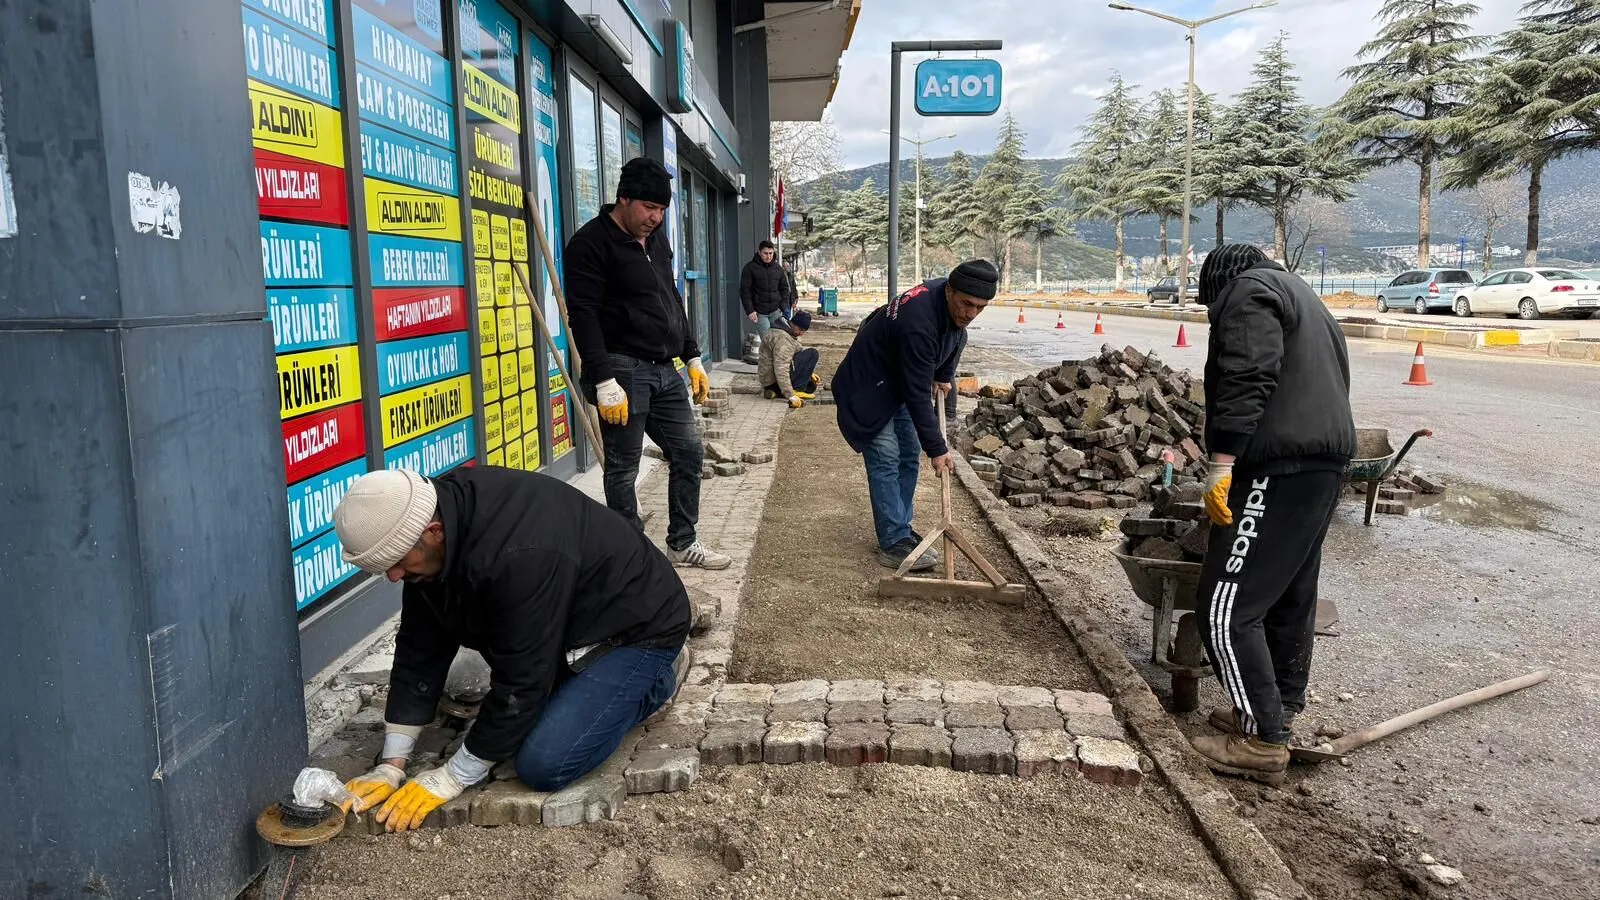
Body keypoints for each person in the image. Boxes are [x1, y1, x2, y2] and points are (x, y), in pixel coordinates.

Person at [332, 467, 690, 831]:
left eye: (397, 564)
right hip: (568, 620)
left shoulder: (520, 552)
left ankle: (654, 682)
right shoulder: (436, 525)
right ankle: (600, 685)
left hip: (638, 626)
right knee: (507, 716)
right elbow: (419, 646)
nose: (393, 577)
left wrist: (453, 777)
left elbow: (523, 678)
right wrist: (390, 765)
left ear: (434, 533)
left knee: (545, 762)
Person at [1188, 243, 1356, 785]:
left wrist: (1223, 460)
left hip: (1275, 468)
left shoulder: (1248, 291)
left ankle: (1262, 741)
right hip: (1322, 466)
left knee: (1224, 605)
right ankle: (1273, 710)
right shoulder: (1304, 294)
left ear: (1219, 285)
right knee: (1288, 596)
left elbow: (1246, 372)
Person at [565, 156, 730, 570]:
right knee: (624, 467)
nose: (655, 218)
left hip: (664, 367)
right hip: (621, 369)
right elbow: (582, 314)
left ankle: (682, 542)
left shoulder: (656, 241)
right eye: (648, 208)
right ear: (623, 199)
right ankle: (629, 558)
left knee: (689, 451)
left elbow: (672, 298)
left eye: (662, 210)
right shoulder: (590, 244)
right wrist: (603, 378)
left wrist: (691, 353)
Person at [832, 260, 997, 571]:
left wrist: (944, 373)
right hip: (867, 386)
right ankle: (894, 542)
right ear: (949, 292)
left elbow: (955, 338)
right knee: (886, 457)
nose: (971, 314)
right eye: (966, 304)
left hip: (898, 378)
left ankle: (901, 529)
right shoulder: (918, 323)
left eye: (980, 307)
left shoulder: (946, 301)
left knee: (908, 454)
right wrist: (937, 448)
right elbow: (917, 394)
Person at [758, 309, 822, 407]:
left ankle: (774, 392)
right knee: (812, 354)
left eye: (804, 331)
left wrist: (808, 372)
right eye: (801, 330)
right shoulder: (783, 339)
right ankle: (795, 389)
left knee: (811, 386)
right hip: (774, 380)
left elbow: (796, 352)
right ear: (794, 324)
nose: (801, 333)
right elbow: (781, 367)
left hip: (768, 380)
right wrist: (791, 395)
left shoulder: (782, 330)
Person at [739, 239, 794, 337]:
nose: (768, 256)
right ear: (759, 252)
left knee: (778, 339)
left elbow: (785, 288)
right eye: (765, 253)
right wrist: (750, 310)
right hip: (760, 312)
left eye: (771, 253)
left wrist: (784, 305)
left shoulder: (778, 269)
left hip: (776, 310)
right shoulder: (749, 268)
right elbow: (745, 291)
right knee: (767, 339)